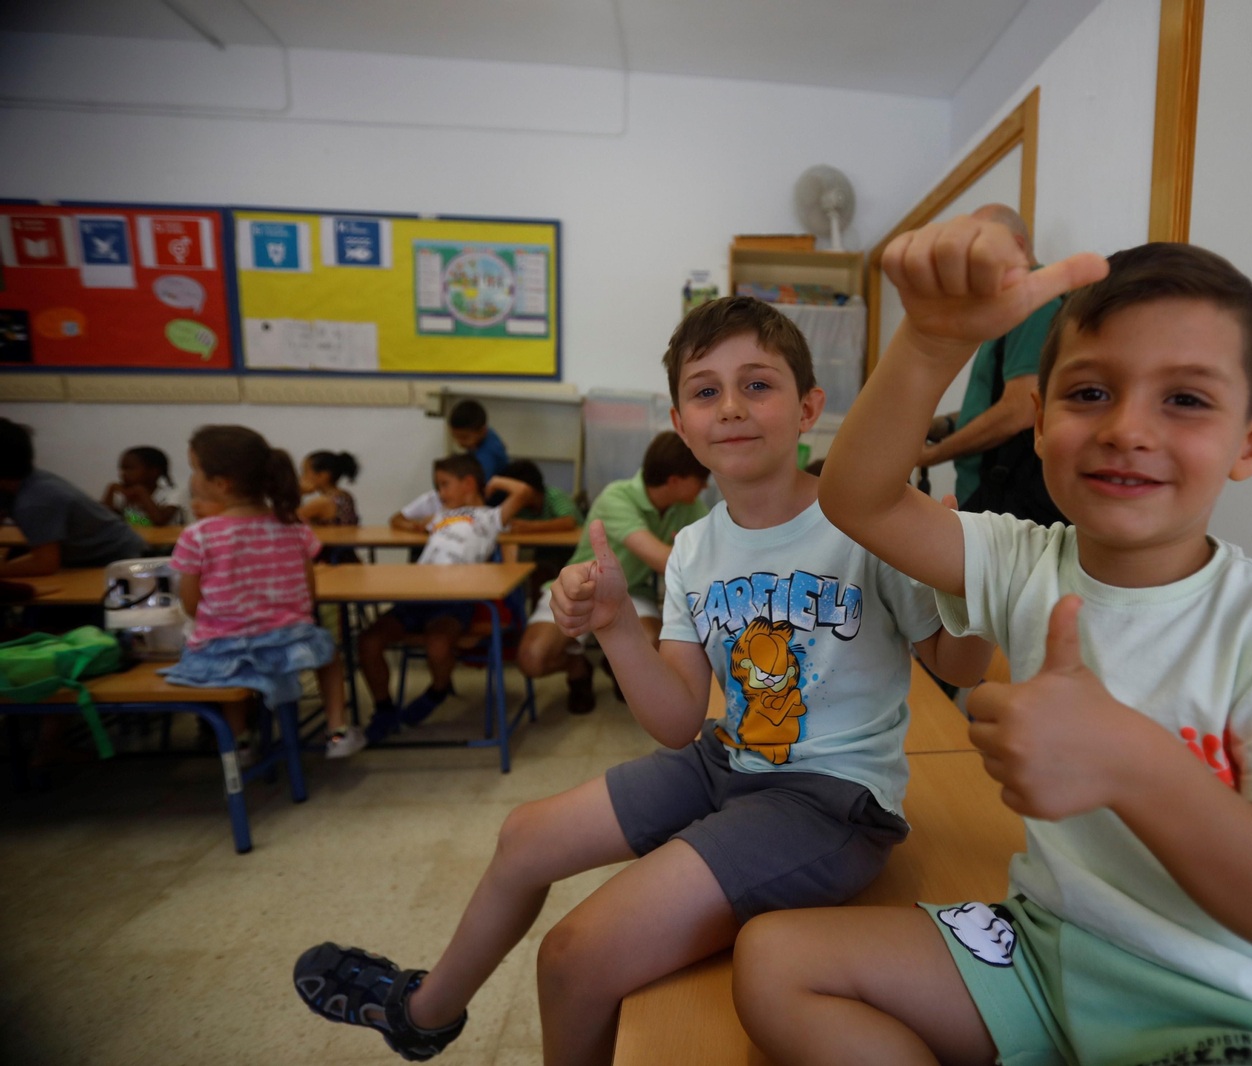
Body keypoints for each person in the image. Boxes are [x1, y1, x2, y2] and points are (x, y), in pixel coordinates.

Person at [732, 222, 1252, 1066]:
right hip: (1050, 950)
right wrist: (931, 342)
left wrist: (1131, 759)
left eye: (1186, 399)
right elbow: (858, 498)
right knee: (775, 961)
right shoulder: (1025, 562)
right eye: (1090, 392)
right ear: (1039, 419)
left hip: (1230, 1010)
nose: (1127, 427)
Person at [291, 295, 994, 1065]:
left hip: (832, 799)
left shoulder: (866, 520)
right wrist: (617, 625)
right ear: (682, 425)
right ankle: (424, 1013)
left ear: (808, 408)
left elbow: (958, 666)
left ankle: (427, 1013)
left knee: (572, 955)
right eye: (706, 391)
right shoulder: (692, 549)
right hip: (727, 757)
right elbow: (676, 719)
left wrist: (965, 578)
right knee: (524, 836)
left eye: (758, 384)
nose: (731, 407)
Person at [162, 426, 361, 760]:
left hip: (225, 645)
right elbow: (308, 595)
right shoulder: (294, 526)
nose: (192, 479)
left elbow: (192, 605)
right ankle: (337, 731)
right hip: (290, 641)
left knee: (228, 666)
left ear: (221, 484)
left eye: (195, 469)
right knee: (329, 655)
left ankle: (239, 741)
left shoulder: (197, 535)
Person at [516, 431, 709, 714]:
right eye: (701, 479)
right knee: (532, 658)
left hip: (633, 592)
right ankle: (578, 666)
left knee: (657, 650)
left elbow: (710, 553)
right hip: (581, 586)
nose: (705, 486)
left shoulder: (689, 505)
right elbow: (663, 559)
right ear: (675, 481)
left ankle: (616, 662)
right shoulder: (616, 497)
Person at [358, 456, 536, 743]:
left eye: (445, 484)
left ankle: (438, 690)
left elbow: (524, 492)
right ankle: (384, 710)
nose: (440, 493)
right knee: (368, 641)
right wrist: (413, 526)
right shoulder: (440, 515)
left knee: (438, 644)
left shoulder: (491, 517)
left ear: (468, 483)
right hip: (417, 594)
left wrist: (494, 482)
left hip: (456, 597)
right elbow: (400, 520)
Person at [920, 203, 1067, 526]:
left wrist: (933, 455)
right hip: (989, 488)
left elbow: (1019, 410)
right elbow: (998, 400)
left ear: (1017, 246)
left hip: (1002, 495)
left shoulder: (1034, 306)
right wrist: (946, 424)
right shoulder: (1006, 309)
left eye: (979, 248)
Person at [0, 418, 147, 578]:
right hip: (80, 557)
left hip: (117, 559)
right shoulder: (19, 484)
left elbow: (45, 564)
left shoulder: (36, 498)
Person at [102, 446, 185, 527]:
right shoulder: (123, 495)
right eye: (122, 469)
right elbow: (103, 521)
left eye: (129, 469)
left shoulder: (173, 494)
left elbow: (159, 521)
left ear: (153, 471)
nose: (123, 474)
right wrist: (110, 491)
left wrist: (141, 493)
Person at [498, 458, 582, 535]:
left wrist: (530, 526)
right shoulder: (520, 507)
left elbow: (569, 522)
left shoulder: (553, 495)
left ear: (529, 490)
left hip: (571, 544)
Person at [447, 399, 509, 482]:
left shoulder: (488, 454)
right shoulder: (481, 436)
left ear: (482, 431)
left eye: (464, 437)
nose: (458, 442)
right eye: (454, 436)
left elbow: (480, 483)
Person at [297, 450, 360, 526]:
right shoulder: (345, 495)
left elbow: (287, 520)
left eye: (305, 472)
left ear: (323, 475)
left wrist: (299, 493)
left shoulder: (322, 502)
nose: (302, 477)